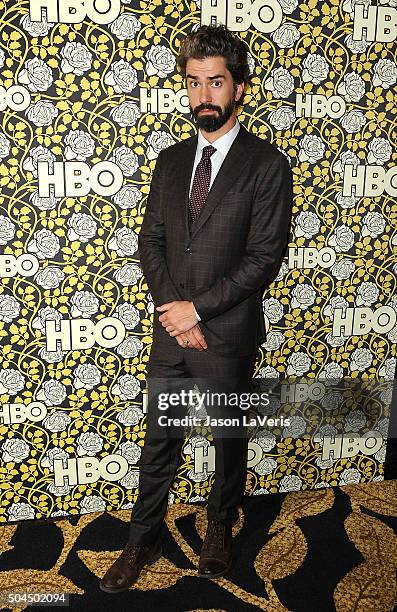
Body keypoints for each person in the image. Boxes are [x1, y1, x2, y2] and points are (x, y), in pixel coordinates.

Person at [100, 24, 293, 593]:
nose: (203, 96)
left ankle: (219, 528)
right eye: (193, 84)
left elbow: (263, 258)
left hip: (227, 333)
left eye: (216, 83)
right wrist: (173, 311)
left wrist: (198, 311)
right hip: (170, 330)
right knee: (160, 438)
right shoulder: (170, 160)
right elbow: (151, 242)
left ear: (238, 87)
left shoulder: (266, 165)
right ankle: (143, 538)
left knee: (226, 441)